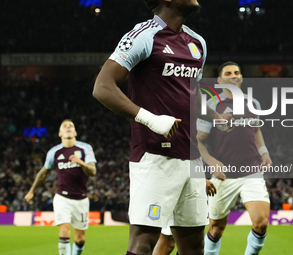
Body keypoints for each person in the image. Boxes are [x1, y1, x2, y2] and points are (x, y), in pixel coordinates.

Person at [92, 1, 230, 254]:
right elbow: (103, 87)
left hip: (191, 158)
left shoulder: (198, 42)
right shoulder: (143, 35)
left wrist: (215, 115)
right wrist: (150, 119)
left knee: (194, 245)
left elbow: (191, 92)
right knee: (144, 242)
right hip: (155, 155)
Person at [197, 61, 272, 255]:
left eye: (237, 72)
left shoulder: (253, 103)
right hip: (224, 176)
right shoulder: (212, 105)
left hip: (251, 171)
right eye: (228, 73)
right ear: (220, 80)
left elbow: (255, 130)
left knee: (261, 223)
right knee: (216, 228)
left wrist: (264, 151)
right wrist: (211, 161)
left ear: (241, 78)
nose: (234, 75)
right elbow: (199, 141)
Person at [25, 119, 97, 255]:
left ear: (75, 132)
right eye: (65, 126)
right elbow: (43, 173)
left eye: (71, 126)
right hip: (62, 197)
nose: (68, 127)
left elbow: (93, 171)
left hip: (81, 199)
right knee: (64, 230)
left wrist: (80, 162)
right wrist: (32, 191)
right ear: (60, 133)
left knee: (80, 239)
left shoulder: (85, 148)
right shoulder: (54, 152)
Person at [153, 180, 217, 255]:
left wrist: (199, 178)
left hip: (193, 184)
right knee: (168, 241)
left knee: (191, 245)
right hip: (173, 183)